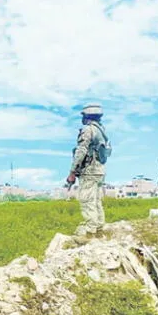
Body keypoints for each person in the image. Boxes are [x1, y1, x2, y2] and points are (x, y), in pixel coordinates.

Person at [66, 103, 111, 240]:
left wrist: (72, 171)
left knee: (87, 200)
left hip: (90, 170)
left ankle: (90, 233)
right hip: (100, 170)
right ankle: (99, 229)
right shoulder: (102, 130)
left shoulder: (88, 130)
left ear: (87, 116)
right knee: (96, 200)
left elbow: (81, 151)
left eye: (84, 116)